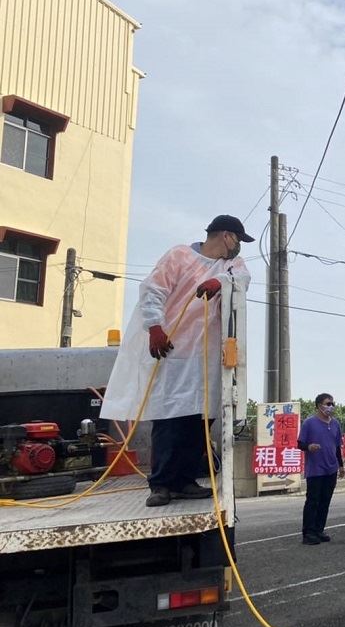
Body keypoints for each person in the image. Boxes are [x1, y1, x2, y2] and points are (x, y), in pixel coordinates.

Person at [100, 215, 252, 508]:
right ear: (226, 236)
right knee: (170, 418)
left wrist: (219, 282)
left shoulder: (230, 266)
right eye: (237, 241)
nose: (238, 248)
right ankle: (161, 484)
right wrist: (155, 326)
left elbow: (242, 281)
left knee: (201, 419)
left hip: (206, 355)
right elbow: (153, 290)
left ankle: (185, 480)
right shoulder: (179, 256)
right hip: (173, 351)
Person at [298, 393, 345, 545]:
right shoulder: (309, 423)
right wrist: (309, 447)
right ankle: (308, 532)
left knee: (325, 500)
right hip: (315, 469)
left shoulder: (335, 424)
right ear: (319, 405)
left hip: (330, 468)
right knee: (313, 501)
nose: (330, 406)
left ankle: (319, 529)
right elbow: (300, 444)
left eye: (332, 404)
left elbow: (337, 446)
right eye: (327, 403)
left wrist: (341, 465)